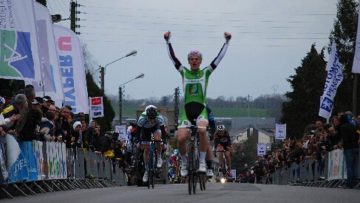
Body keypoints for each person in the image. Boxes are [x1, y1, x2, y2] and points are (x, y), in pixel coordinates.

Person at [164, 31, 231, 176]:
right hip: (186, 111)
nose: (194, 61)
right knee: (181, 138)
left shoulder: (206, 72)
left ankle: (202, 162)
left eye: (197, 59)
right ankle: (184, 162)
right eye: (192, 59)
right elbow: (173, 58)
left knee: (201, 131)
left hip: (201, 109)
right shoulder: (184, 72)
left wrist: (227, 42)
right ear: (188, 61)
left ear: (200, 61)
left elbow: (218, 58)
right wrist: (167, 41)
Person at [135, 105, 167, 183]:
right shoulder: (142, 119)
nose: (152, 120)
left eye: (154, 118)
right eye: (150, 118)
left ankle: (159, 157)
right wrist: (138, 142)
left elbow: (163, 131)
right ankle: (146, 170)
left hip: (155, 128)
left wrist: (164, 142)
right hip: (145, 129)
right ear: (147, 116)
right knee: (146, 149)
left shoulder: (159, 118)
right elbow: (138, 131)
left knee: (158, 139)